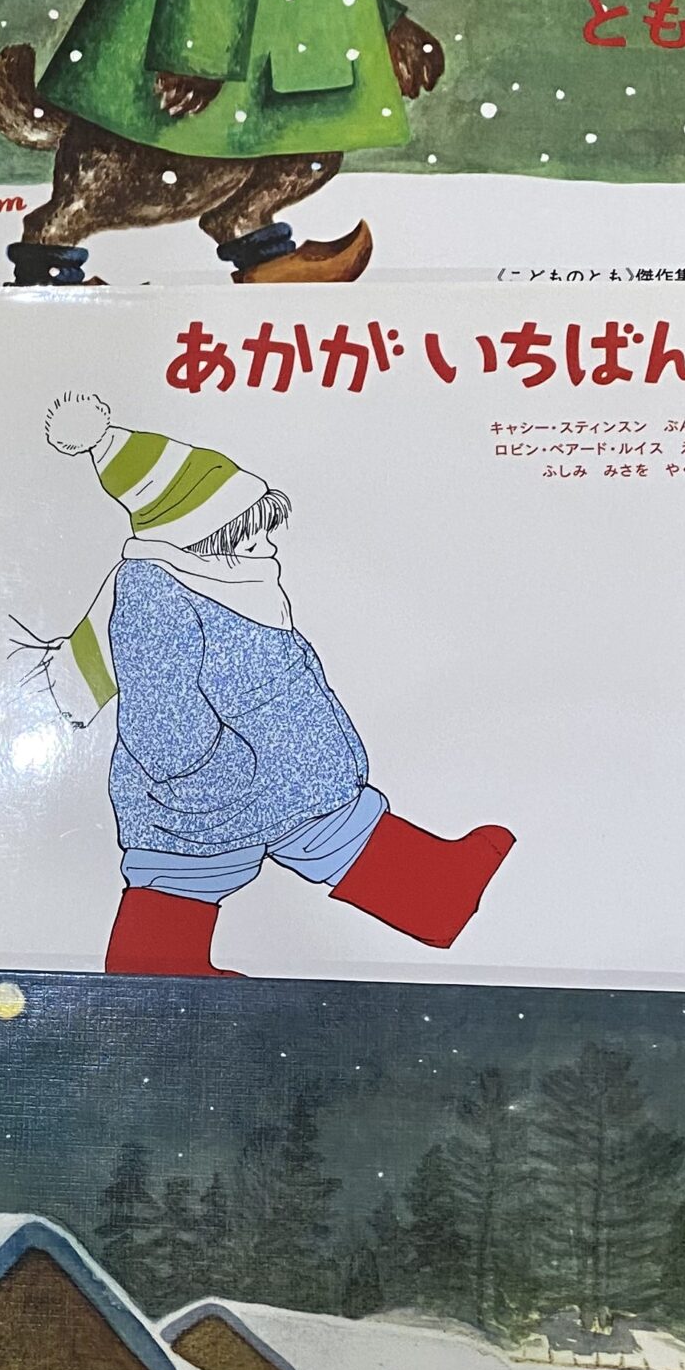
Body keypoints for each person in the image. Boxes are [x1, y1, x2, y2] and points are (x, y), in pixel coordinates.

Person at [34, 393, 513, 976]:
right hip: (214, 785)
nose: (267, 545)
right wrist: (216, 773)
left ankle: (436, 893)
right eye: (249, 534)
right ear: (198, 538)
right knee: (183, 871)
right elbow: (161, 714)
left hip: (282, 773)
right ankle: (154, 973)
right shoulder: (156, 596)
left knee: (333, 828)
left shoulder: (232, 580)